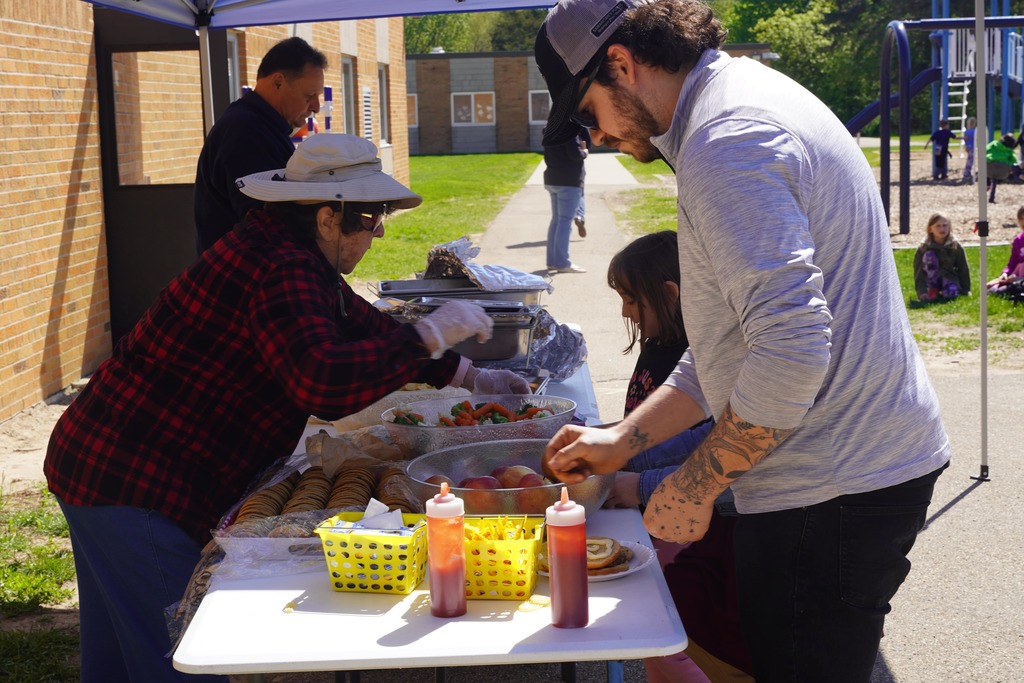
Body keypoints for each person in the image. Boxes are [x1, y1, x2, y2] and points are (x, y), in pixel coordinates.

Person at [534, 2, 951, 681]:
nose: (598, 136)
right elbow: (728, 344)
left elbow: (790, 350)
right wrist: (624, 441)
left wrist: (696, 486)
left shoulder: (727, 141)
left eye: (586, 115)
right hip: (841, 474)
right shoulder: (729, 107)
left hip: (833, 487)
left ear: (621, 65)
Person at [44, 134, 529, 683]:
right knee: (177, 655)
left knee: (122, 655)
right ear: (327, 218)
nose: (377, 233)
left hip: (102, 459)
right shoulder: (282, 267)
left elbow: (356, 322)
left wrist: (467, 373)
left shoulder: (285, 250)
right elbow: (319, 380)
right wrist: (424, 337)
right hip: (135, 481)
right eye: (370, 220)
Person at [606, 230, 752, 682]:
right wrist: (618, 451)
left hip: (695, 518)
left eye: (633, 300)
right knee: (667, 626)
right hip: (663, 502)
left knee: (672, 632)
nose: (626, 312)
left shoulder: (708, 360)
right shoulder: (664, 345)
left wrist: (636, 481)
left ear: (671, 294)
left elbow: (715, 451)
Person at [193, 36, 327, 255]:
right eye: (309, 95)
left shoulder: (259, 125)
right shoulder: (246, 130)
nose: (316, 107)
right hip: (243, 279)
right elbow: (266, 223)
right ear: (278, 82)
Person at [543, 116, 589, 273]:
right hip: (568, 181)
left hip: (552, 179)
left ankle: (552, 261)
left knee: (556, 221)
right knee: (564, 222)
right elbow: (575, 154)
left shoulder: (549, 130)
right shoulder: (568, 131)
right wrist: (584, 152)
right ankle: (562, 263)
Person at [912, 213, 971, 302]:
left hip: (949, 277)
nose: (942, 229)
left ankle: (947, 288)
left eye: (945, 225)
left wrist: (966, 290)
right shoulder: (924, 247)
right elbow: (918, 272)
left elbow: (963, 268)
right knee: (929, 255)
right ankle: (933, 289)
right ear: (930, 229)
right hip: (930, 280)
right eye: (938, 226)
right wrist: (921, 291)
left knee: (951, 294)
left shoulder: (955, 245)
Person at [987, 205, 1024, 292]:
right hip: (1016, 275)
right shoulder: (1018, 240)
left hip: (1020, 277)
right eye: (1021, 219)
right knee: (994, 290)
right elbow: (1012, 262)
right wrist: (1005, 273)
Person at [985, 133, 1019, 203]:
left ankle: (987, 184)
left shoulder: (994, 144)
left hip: (989, 169)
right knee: (1009, 168)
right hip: (1003, 172)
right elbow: (1014, 160)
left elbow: (985, 149)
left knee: (987, 167)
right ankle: (997, 183)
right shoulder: (1009, 151)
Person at [575, 128, 592, 237]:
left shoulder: (551, 126)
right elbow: (588, 143)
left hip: (554, 173)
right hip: (575, 168)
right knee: (579, 193)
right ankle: (579, 216)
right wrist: (584, 151)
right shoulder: (577, 124)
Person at [962, 116, 977, 183]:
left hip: (968, 146)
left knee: (970, 159)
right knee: (970, 160)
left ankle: (968, 172)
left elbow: (965, 139)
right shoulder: (974, 131)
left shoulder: (967, 131)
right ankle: (966, 172)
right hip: (972, 147)